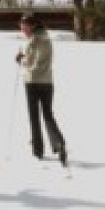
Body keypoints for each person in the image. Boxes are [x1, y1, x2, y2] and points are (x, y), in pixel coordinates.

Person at [16, 13, 67, 166]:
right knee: (46, 114)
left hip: (34, 81)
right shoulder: (37, 38)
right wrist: (22, 57)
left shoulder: (40, 39)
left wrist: (22, 60)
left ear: (32, 25)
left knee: (36, 116)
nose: (22, 29)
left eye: (24, 26)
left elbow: (38, 63)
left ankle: (39, 149)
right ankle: (56, 144)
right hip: (45, 82)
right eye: (21, 26)